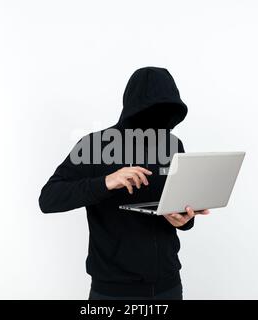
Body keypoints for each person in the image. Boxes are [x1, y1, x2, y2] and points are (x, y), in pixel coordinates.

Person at [39, 66, 210, 300]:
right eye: (150, 108)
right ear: (133, 106)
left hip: (168, 287)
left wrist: (183, 220)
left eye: (164, 109)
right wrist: (107, 182)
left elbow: (178, 208)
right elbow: (48, 199)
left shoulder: (173, 145)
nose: (156, 116)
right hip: (112, 292)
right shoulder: (93, 146)